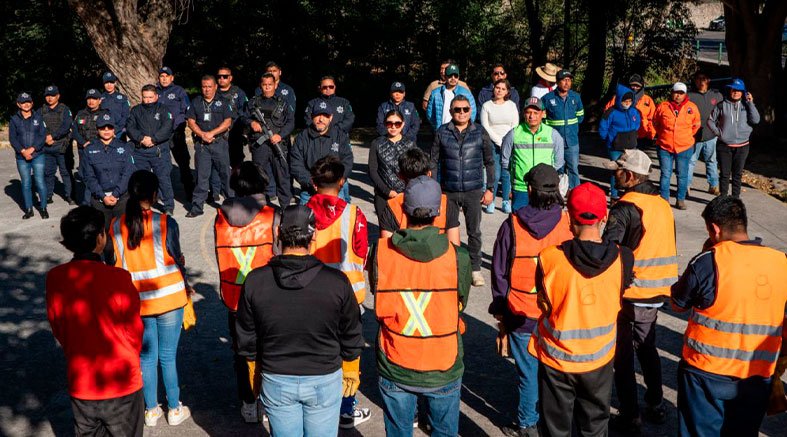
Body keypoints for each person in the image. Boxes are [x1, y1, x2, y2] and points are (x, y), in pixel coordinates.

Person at [236, 205, 364, 436]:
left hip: (276, 377)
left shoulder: (255, 281)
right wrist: (351, 366)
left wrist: (253, 366)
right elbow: (351, 331)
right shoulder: (337, 282)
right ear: (313, 236)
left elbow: (246, 334)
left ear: (277, 233)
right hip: (324, 378)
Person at [671, 196, 787, 436]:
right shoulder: (781, 262)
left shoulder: (707, 261)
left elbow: (677, 304)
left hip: (705, 374)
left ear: (714, 229)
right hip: (757, 375)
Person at [528, 182, 634, 437]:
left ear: (569, 218)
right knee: (595, 426)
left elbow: (544, 302)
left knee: (555, 429)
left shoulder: (549, 257)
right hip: (599, 358)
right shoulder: (624, 257)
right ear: (604, 217)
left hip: (557, 359)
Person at [369, 175, 471, 436]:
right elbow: (460, 301)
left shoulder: (380, 252)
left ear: (403, 210)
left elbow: (376, 288)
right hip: (443, 361)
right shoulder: (458, 257)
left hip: (396, 359)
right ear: (438, 214)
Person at [46, 206, 144, 436]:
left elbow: (58, 326)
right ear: (100, 238)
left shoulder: (56, 278)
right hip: (121, 380)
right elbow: (134, 330)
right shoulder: (119, 278)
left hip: (82, 382)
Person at [489, 164, 572, 437]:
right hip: (558, 314)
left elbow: (500, 271)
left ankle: (527, 424)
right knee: (554, 373)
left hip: (521, 312)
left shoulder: (511, 225)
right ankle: (555, 422)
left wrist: (501, 309)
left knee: (527, 374)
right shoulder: (567, 225)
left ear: (530, 190)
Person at [108, 171, 191, 427]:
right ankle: (174, 408)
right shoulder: (166, 222)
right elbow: (176, 257)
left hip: (136, 301)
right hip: (168, 298)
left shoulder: (115, 226)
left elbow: (112, 263)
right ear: (154, 195)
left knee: (146, 357)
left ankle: (151, 410)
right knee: (168, 356)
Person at [603, 149, 677, 433]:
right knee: (647, 348)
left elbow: (610, 251)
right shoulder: (660, 204)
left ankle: (630, 413)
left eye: (618, 170)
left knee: (622, 355)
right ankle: (656, 402)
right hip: (657, 291)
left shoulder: (625, 207)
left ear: (630, 176)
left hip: (629, 292)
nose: (614, 174)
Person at [305, 156, 371, 429]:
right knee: (349, 352)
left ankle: (314, 404)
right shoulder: (354, 214)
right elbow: (363, 254)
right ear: (342, 182)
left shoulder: (301, 213)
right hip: (349, 295)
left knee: (315, 349)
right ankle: (346, 407)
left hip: (311, 294)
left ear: (312, 183)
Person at [214, 161, 280, 423]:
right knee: (270, 350)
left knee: (242, 352)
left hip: (233, 297)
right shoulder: (271, 215)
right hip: (267, 296)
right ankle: (269, 400)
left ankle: (248, 402)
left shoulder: (220, 217)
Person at [430, 95, 494, 286]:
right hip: (448, 190)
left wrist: (490, 188)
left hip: (473, 190)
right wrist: (434, 187)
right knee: (447, 230)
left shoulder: (480, 132)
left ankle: (475, 269)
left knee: (474, 232)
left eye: (465, 109)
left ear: (470, 111)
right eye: (457, 109)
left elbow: (490, 162)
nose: (462, 113)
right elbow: (433, 161)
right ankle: (451, 266)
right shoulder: (442, 132)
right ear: (450, 112)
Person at [379, 148, 461, 245]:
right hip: (440, 257)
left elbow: (386, 248)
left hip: (403, 257)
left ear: (400, 176)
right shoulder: (445, 202)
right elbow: (455, 246)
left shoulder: (392, 206)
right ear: (429, 173)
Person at [81, 114, 135, 261]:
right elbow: (88, 177)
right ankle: (110, 263)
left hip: (122, 199)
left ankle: (126, 262)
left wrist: (116, 194)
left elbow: (128, 173)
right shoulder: (89, 150)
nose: (106, 130)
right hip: (99, 200)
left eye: (109, 127)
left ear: (114, 129)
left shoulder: (124, 148)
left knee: (124, 232)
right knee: (103, 235)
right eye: (102, 127)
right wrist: (103, 196)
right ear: (97, 130)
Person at [501, 96, 565, 210]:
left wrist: (546, 178)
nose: (532, 116)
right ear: (524, 114)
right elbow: (505, 160)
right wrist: (515, 174)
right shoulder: (514, 134)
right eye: (528, 112)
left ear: (542, 114)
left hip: (544, 189)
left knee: (543, 223)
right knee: (519, 222)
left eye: (536, 112)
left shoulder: (553, 134)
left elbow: (559, 161)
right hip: (521, 188)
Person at [185, 75, 233, 218]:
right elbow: (191, 121)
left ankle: (231, 204)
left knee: (225, 174)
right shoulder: (196, 102)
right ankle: (197, 206)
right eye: (204, 86)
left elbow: (227, 122)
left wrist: (212, 133)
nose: (206, 89)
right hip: (202, 145)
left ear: (215, 87)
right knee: (202, 176)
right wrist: (202, 134)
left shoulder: (223, 102)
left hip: (219, 143)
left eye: (209, 86)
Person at [244, 72, 294, 207]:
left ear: (275, 85)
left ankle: (285, 209)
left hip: (277, 144)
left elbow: (290, 122)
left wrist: (280, 135)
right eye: (264, 85)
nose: (267, 87)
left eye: (270, 85)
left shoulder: (283, 103)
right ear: (261, 85)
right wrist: (251, 123)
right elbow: (245, 117)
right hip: (260, 146)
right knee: (259, 178)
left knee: (282, 178)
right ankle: (260, 208)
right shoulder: (253, 102)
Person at [290, 99, 353, 204]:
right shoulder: (302, 138)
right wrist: (311, 182)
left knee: (340, 218)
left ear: (331, 117)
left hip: (334, 187)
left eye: (325, 116)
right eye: (317, 115)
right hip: (310, 188)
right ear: (311, 117)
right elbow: (296, 164)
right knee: (303, 218)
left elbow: (347, 161)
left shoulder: (340, 136)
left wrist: (337, 181)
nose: (321, 119)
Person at [126, 84, 175, 215]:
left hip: (159, 150)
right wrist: (141, 138)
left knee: (163, 178)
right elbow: (130, 127)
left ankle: (168, 205)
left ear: (156, 96)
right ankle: (143, 204)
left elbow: (168, 127)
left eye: (150, 97)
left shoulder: (164, 110)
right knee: (142, 181)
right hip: (140, 151)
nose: (147, 100)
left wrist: (153, 139)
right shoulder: (136, 110)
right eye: (145, 97)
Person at [707, 78, 760, 199]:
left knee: (737, 175)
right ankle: (723, 199)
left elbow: (756, 120)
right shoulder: (721, 105)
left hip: (742, 146)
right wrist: (718, 133)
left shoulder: (746, 106)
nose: (735, 92)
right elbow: (710, 120)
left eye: (738, 90)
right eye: (733, 89)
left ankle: (736, 200)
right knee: (725, 174)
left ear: (743, 92)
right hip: (724, 146)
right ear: (729, 90)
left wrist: (751, 102)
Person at [652, 82, 701, 209]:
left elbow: (696, 125)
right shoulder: (663, 106)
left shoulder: (692, 108)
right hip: (664, 146)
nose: (678, 96)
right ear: (671, 93)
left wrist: (686, 137)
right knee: (665, 174)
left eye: (681, 93)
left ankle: (680, 199)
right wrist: (663, 135)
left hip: (684, 147)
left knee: (682, 174)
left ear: (685, 94)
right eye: (676, 92)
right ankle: (664, 199)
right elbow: (655, 122)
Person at [480, 78, 519, 214]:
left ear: (507, 91)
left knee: (506, 174)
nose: (500, 91)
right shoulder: (487, 105)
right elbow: (485, 126)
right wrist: (498, 141)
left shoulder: (512, 105)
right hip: (492, 143)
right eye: (497, 88)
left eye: (503, 89)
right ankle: (490, 201)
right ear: (493, 89)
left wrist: (506, 141)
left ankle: (505, 202)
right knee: (494, 174)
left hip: (509, 143)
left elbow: (515, 124)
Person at [369, 110, 417, 215]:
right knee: (384, 230)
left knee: (403, 229)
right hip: (382, 195)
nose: (393, 127)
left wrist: (406, 192)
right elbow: (372, 170)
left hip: (405, 195)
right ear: (385, 124)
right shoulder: (376, 143)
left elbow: (415, 171)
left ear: (403, 124)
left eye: (397, 123)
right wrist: (387, 191)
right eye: (389, 123)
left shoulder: (410, 144)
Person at [157, 66, 194, 200]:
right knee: (161, 165)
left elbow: (187, 110)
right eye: (162, 76)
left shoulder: (179, 91)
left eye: (167, 76)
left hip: (176, 133)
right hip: (160, 135)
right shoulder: (155, 91)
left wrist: (178, 124)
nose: (164, 78)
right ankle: (163, 195)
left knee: (183, 163)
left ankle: (190, 192)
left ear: (172, 78)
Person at [599, 84, 642, 200]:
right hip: (615, 146)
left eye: (629, 100)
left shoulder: (634, 111)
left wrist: (632, 135)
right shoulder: (611, 112)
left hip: (631, 145)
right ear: (619, 99)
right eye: (625, 100)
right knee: (616, 171)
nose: (627, 103)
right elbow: (603, 128)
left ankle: (628, 194)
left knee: (631, 171)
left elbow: (638, 124)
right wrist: (608, 139)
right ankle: (614, 195)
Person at [10, 92, 48, 219]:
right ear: (18, 104)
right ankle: (29, 209)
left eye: (28, 102)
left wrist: (32, 149)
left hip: (38, 155)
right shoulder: (14, 120)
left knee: (40, 181)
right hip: (21, 157)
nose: (26, 104)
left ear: (32, 103)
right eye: (23, 102)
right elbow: (12, 138)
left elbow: (43, 136)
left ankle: (43, 207)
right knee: (26, 183)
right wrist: (23, 151)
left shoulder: (39, 117)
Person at [543, 69, 584, 189]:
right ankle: (557, 195)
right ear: (557, 82)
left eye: (569, 80)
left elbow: (580, 116)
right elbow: (543, 120)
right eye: (564, 80)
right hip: (555, 142)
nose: (567, 83)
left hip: (572, 141)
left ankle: (576, 195)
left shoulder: (576, 98)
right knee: (556, 170)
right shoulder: (547, 98)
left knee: (573, 169)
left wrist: (572, 129)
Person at [687, 71, 723, 196]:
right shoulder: (689, 96)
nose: (701, 82)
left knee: (711, 160)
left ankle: (713, 185)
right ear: (695, 81)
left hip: (710, 135)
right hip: (694, 136)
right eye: (698, 79)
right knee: (691, 161)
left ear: (708, 80)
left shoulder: (716, 95)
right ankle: (686, 186)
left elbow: (724, 113)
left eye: (704, 79)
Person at [72, 88, 110, 206]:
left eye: (94, 99)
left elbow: (107, 132)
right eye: (89, 99)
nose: (91, 101)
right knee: (85, 176)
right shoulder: (80, 114)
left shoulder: (105, 114)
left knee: (98, 175)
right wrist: (84, 143)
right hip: (84, 149)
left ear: (99, 100)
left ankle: (90, 201)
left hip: (99, 149)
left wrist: (95, 144)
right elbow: (75, 131)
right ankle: (89, 201)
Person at [38, 85, 74, 205]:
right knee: (48, 172)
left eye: (52, 95)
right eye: (47, 95)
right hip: (47, 147)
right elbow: (37, 127)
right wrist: (45, 138)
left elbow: (66, 126)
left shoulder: (64, 109)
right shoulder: (41, 110)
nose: (50, 98)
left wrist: (52, 136)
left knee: (65, 172)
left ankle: (70, 196)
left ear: (58, 96)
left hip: (62, 146)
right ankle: (48, 195)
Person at [604, 74, 657, 148]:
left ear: (642, 87)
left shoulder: (648, 100)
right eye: (633, 85)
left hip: (642, 137)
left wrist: (651, 134)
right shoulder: (618, 98)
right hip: (621, 135)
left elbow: (653, 119)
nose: (635, 88)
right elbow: (607, 114)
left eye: (637, 86)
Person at [216, 66, 249, 172]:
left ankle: (236, 184)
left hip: (234, 131)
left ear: (230, 78)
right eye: (219, 76)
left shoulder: (238, 93)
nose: (222, 78)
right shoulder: (213, 92)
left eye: (225, 76)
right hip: (217, 132)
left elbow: (245, 111)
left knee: (237, 162)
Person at [426, 64, 476, 130]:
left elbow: (472, 112)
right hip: (441, 131)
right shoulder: (436, 93)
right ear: (445, 77)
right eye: (450, 75)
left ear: (458, 77)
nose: (453, 78)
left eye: (455, 76)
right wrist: (437, 128)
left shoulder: (466, 93)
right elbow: (430, 114)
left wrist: (465, 128)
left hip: (461, 132)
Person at [100, 71, 130, 139]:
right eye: (107, 83)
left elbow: (126, 116)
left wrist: (116, 130)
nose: (109, 85)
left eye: (111, 82)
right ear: (103, 84)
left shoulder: (123, 98)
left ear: (115, 83)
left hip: (119, 132)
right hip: (104, 132)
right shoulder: (99, 99)